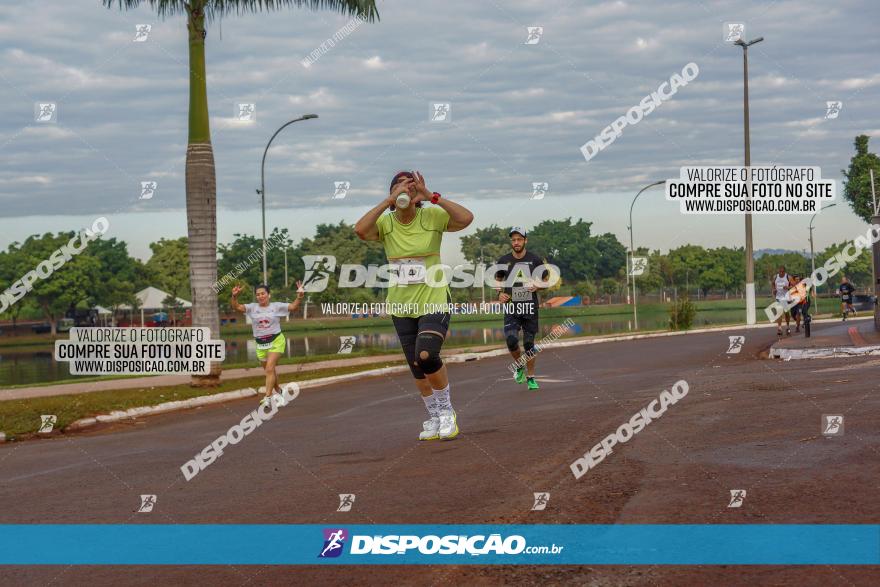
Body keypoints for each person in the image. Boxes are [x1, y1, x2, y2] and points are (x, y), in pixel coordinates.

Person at [355, 170, 473, 441]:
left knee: (426, 355)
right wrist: (388, 202)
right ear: (392, 195)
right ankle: (433, 417)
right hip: (401, 305)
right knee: (415, 366)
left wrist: (431, 195)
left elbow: (466, 219)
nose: (404, 191)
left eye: (409, 186)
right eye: (398, 187)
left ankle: (446, 412)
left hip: (433, 298)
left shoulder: (431, 215)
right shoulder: (386, 223)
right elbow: (360, 230)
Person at [231, 282, 304, 407]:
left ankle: (268, 397)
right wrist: (234, 296)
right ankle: (280, 392)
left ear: (269, 295)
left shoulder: (276, 306)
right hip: (260, 344)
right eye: (258, 294)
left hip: (276, 341)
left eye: (263, 293)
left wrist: (299, 297)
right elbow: (236, 307)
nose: (260, 296)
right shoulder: (252, 308)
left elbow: (293, 307)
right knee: (271, 372)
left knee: (269, 369)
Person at [494, 227, 550, 390]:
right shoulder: (504, 260)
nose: (516, 242)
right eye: (513, 240)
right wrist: (500, 294)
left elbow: (546, 280)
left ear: (525, 240)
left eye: (519, 239)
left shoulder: (535, 260)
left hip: (530, 308)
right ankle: (519, 365)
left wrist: (538, 286)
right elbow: (498, 279)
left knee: (528, 344)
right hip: (511, 307)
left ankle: (531, 377)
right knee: (511, 341)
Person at [771, 266, 793, 336]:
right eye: (779, 271)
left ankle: (787, 326)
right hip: (778, 297)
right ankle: (779, 328)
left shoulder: (788, 277)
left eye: (782, 272)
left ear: (784, 271)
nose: (781, 273)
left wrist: (788, 287)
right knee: (779, 313)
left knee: (786, 313)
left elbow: (794, 286)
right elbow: (772, 284)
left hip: (786, 298)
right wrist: (774, 290)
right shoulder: (775, 277)